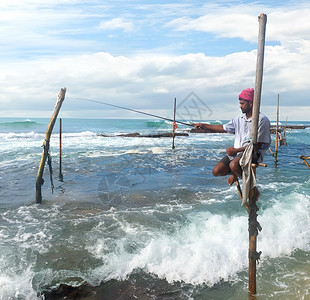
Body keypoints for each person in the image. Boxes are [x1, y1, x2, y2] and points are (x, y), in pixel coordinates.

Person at [193, 88, 271, 186]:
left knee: (233, 165)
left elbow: (258, 145)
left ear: (251, 103)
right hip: (237, 153)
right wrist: (204, 125)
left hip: (253, 153)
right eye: (240, 103)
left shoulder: (262, 120)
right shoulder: (239, 118)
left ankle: (251, 186)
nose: (240, 106)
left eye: (242, 104)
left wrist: (236, 150)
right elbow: (223, 128)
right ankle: (237, 174)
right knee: (216, 171)